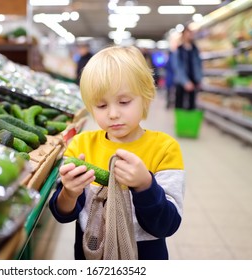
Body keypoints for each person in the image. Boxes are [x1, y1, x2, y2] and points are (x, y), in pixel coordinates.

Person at [49, 45, 185, 260]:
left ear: (146, 96)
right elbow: (63, 214)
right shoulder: (81, 146)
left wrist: (145, 186)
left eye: (124, 102)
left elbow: (167, 225)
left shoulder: (164, 148)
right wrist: (69, 193)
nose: (113, 114)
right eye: (101, 105)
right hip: (92, 254)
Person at [172, 25, 203, 110]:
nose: (190, 35)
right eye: (188, 33)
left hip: (193, 80)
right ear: (183, 35)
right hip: (181, 81)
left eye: (191, 33)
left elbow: (199, 65)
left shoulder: (195, 49)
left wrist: (199, 79)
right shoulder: (179, 50)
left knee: (192, 105)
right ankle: (180, 122)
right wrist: (185, 82)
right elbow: (177, 67)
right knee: (179, 103)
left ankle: (190, 123)